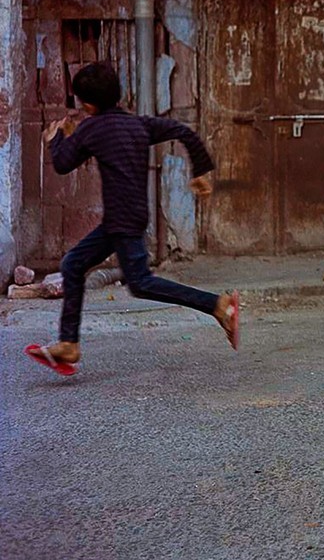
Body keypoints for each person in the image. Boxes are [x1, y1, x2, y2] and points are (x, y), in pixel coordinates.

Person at [24, 61, 239, 377]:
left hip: (122, 220)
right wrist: (201, 170)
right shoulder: (138, 124)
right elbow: (183, 131)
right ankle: (68, 344)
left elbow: (63, 163)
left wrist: (56, 138)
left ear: (87, 104)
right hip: (124, 218)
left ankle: (220, 306)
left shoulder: (92, 129)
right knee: (72, 264)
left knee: (140, 283)